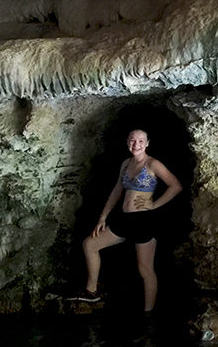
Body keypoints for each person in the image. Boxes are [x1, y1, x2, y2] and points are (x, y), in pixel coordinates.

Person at [70, 129, 183, 311]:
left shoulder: (153, 164)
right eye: (132, 140)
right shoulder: (126, 164)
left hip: (144, 220)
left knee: (145, 269)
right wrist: (102, 217)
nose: (136, 144)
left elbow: (176, 185)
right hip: (123, 219)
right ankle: (92, 291)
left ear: (147, 143)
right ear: (127, 142)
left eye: (140, 141)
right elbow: (116, 191)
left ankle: (148, 314)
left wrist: (154, 205)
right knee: (89, 245)